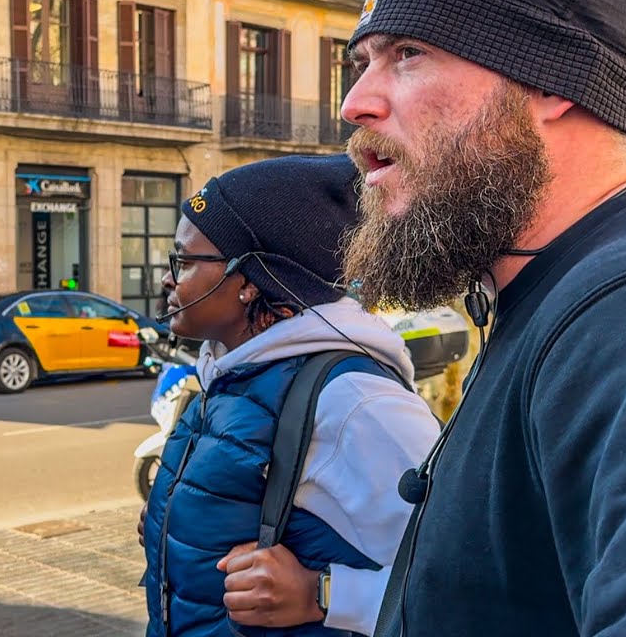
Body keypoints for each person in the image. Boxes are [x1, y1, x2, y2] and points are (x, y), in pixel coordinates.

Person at [338, 0, 626, 636]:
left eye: (409, 54)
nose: (354, 103)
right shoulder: (550, 290)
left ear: (553, 81)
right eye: (361, 62)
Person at [142, 155, 439, 637]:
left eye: (186, 260)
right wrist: (169, 530)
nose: (168, 278)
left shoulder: (357, 402)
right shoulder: (231, 371)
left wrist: (322, 594)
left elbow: (470, 583)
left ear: (247, 281)